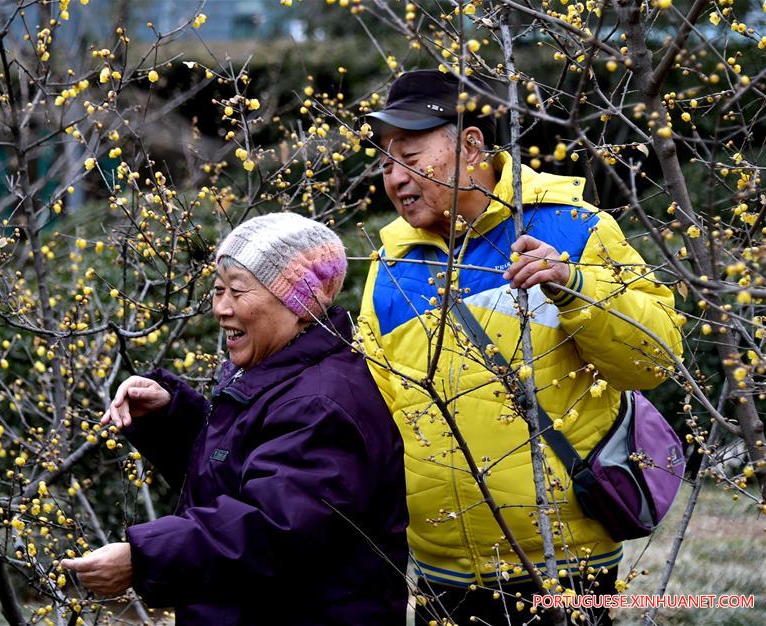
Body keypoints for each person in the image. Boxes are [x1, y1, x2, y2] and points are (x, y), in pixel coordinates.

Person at [357, 70, 683, 625]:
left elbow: (656, 359)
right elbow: (377, 408)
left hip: (563, 562)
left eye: (410, 156)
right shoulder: (390, 264)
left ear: (472, 145)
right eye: (386, 163)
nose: (396, 178)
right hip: (440, 563)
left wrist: (578, 287)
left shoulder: (573, 228)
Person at [61, 213, 409, 625]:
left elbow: (273, 528)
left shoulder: (321, 403)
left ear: (299, 304)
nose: (221, 309)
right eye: (218, 290)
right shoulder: (276, 373)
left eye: (237, 292)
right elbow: (239, 474)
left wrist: (143, 557)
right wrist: (171, 415)